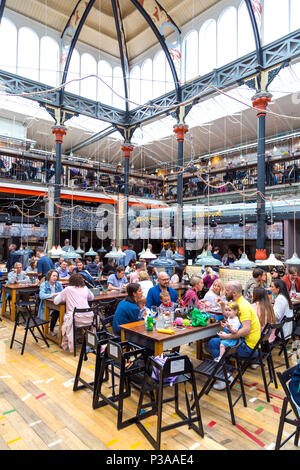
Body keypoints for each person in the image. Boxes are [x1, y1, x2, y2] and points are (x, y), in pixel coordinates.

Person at [209, 282, 261, 389]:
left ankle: (224, 377)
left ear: (234, 293)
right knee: (218, 342)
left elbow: (246, 330)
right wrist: (223, 305)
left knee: (213, 343)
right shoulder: (239, 302)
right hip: (251, 344)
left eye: (226, 291)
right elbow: (229, 315)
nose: (224, 292)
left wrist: (227, 337)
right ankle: (225, 371)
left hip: (248, 348)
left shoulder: (243, 306)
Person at [53, 273, 95, 352]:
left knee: (65, 316)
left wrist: (64, 297)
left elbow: (56, 301)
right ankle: (83, 339)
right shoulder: (85, 288)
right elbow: (92, 298)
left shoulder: (68, 289)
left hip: (75, 320)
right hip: (89, 319)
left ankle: (69, 341)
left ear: (71, 280)